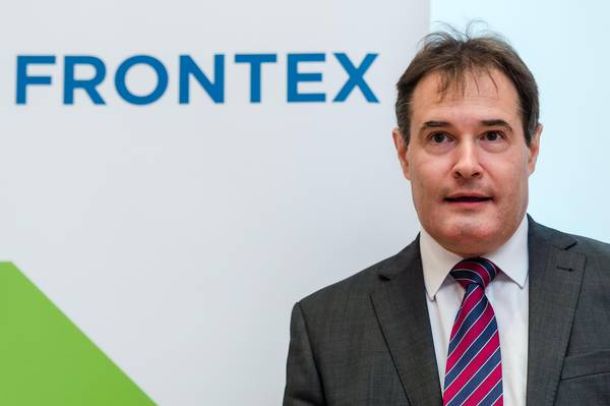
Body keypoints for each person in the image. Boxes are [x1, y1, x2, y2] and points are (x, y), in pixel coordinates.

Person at [283, 28, 610, 406]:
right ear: (403, 154)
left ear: (532, 149)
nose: (467, 165)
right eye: (440, 138)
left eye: (492, 136)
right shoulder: (325, 329)